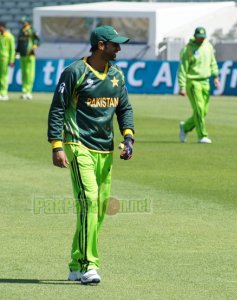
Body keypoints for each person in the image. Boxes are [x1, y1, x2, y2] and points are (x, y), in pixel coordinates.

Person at [47, 25, 134, 285]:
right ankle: (88, 266)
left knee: (96, 211)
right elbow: (57, 109)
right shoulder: (74, 72)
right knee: (89, 202)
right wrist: (56, 145)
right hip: (78, 145)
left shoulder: (117, 75)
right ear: (100, 45)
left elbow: (125, 108)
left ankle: (75, 264)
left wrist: (128, 137)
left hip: (105, 149)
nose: (119, 48)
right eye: (114, 44)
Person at [178, 26, 220, 144]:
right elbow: (182, 68)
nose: (201, 40)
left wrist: (216, 76)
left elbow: (212, 62)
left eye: (203, 37)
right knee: (199, 108)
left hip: (205, 82)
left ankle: (185, 127)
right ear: (195, 36)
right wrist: (182, 86)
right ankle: (202, 136)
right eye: (199, 37)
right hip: (193, 82)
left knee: (203, 111)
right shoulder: (188, 50)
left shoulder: (208, 46)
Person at [16, 16, 40, 100]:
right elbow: (19, 43)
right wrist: (17, 52)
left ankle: (29, 92)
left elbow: (38, 40)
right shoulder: (21, 31)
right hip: (22, 55)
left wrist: (35, 45)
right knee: (24, 74)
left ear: (27, 22)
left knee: (30, 74)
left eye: (24, 22)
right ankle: (24, 91)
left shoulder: (32, 30)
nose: (22, 24)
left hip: (30, 55)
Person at [0, 22, 15, 101]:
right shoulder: (1, 36)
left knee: (4, 77)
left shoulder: (9, 37)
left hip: (5, 59)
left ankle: (4, 93)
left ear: (3, 27)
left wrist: (12, 60)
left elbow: (12, 49)